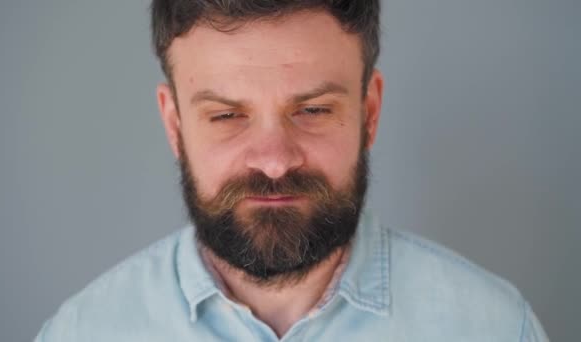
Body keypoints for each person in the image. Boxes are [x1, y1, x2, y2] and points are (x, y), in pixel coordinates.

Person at [35, 1, 549, 341]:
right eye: (226, 116)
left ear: (369, 113)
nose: (275, 160)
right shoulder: (83, 332)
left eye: (313, 110)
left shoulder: (496, 328)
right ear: (174, 124)